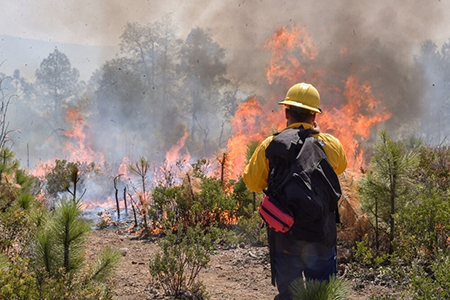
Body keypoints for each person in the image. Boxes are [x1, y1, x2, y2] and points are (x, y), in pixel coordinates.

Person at [243, 82, 347, 300]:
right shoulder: (330, 144)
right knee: (323, 297)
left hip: (285, 238)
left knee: (289, 296)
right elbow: (340, 167)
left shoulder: (270, 145)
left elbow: (252, 183)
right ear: (314, 116)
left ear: (286, 112)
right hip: (321, 238)